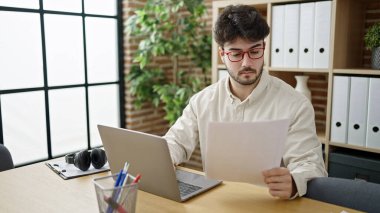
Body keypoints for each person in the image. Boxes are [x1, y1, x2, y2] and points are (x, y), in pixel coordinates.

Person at [163, 4, 327, 199]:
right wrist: (166, 159)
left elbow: (311, 165)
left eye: (254, 51)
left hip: (271, 203)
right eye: (236, 54)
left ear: (264, 48)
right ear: (222, 54)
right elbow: (175, 142)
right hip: (217, 202)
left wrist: (293, 182)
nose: (247, 63)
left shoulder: (295, 104)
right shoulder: (202, 101)